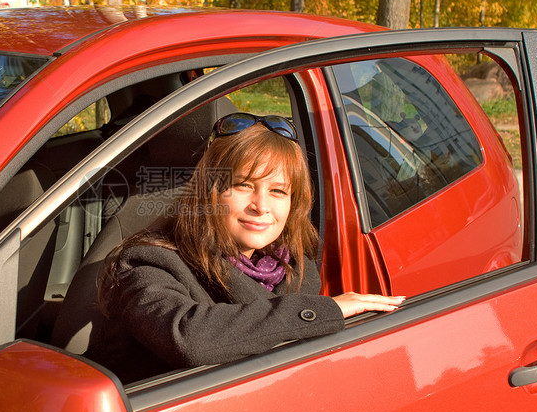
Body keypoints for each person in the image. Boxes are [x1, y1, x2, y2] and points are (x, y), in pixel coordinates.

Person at [87, 112, 405, 383]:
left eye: (279, 191)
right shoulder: (148, 263)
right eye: (244, 186)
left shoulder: (297, 271)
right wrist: (324, 311)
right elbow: (190, 339)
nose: (261, 206)